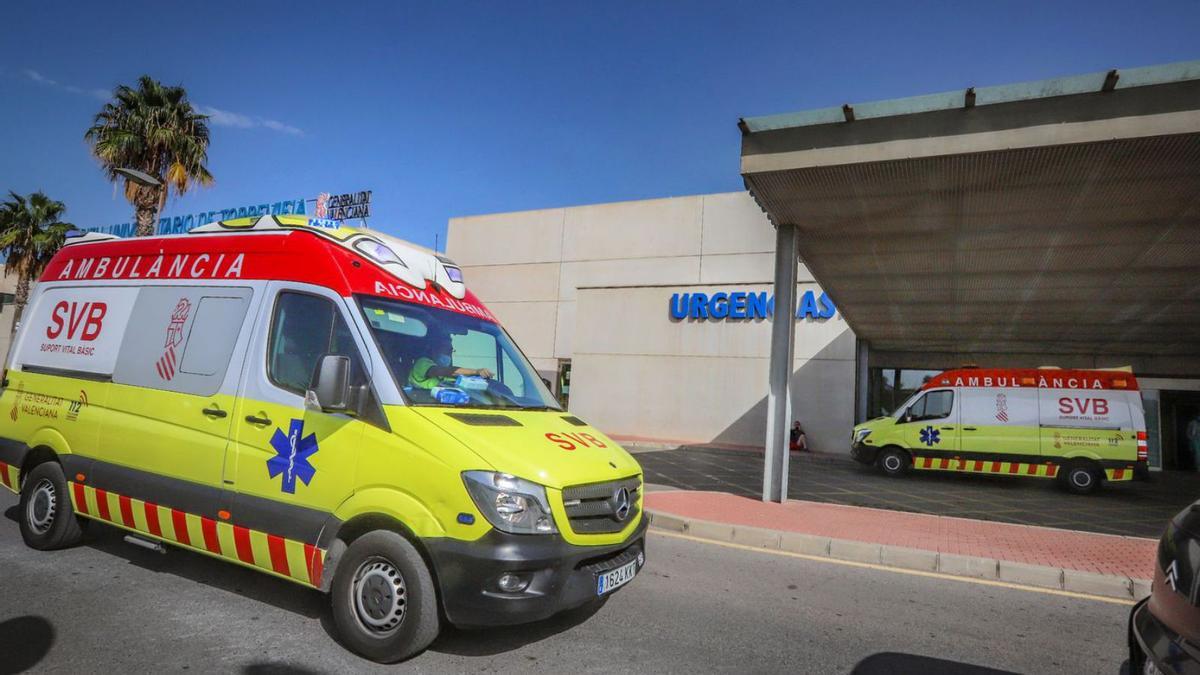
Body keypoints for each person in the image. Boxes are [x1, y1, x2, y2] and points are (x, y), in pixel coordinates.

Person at [407, 330, 493, 391]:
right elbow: (443, 371)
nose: (449, 354)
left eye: (451, 351)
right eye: (446, 350)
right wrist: (476, 371)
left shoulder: (446, 376)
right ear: (434, 349)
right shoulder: (422, 363)